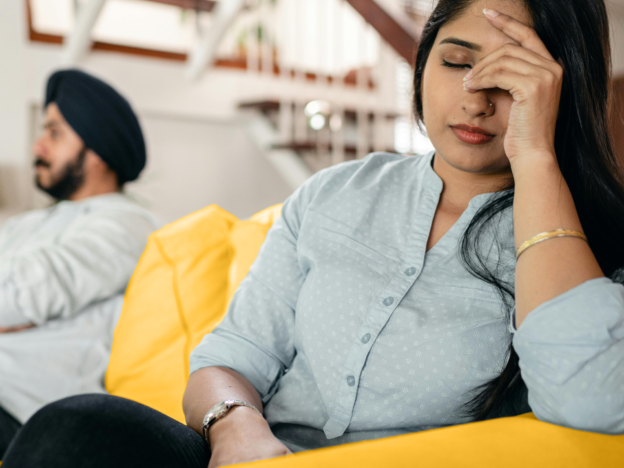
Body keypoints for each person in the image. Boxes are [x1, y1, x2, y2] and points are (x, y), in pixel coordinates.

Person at [3, 0, 624, 466]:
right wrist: (236, 426)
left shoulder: (587, 243)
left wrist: (537, 158)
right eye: (456, 61)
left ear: (559, 92)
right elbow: (229, 357)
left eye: (511, 80)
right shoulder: (334, 193)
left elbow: (595, 401)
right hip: (246, 454)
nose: (474, 98)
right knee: (75, 429)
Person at [0, 69, 159, 458]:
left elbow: (27, 292)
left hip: (25, 409)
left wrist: (17, 305)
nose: (38, 145)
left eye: (54, 133)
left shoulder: (127, 224)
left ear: (99, 149)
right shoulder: (25, 223)